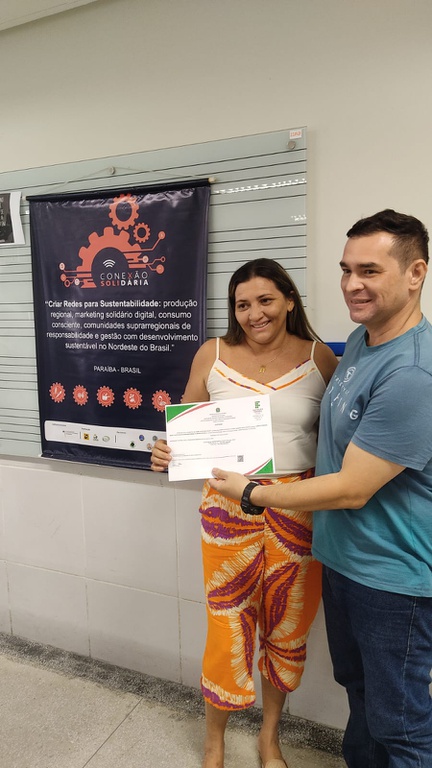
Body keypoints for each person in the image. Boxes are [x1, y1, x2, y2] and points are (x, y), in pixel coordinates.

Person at [209, 210, 432, 768]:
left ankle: (272, 737)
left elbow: (353, 487)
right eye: (346, 269)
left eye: (370, 270)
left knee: (402, 724)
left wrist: (254, 494)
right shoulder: (362, 342)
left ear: (416, 273)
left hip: (391, 575)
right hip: (339, 557)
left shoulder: (411, 372)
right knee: (361, 695)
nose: (353, 284)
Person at [151, 257, 337, 768]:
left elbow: (337, 442)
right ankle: (214, 740)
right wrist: (165, 451)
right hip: (227, 512)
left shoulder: (319, 357)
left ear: (289, 301)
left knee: (288, 627)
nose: (255, 314)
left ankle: (269, 737)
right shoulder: (212, 354)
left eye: (266, 300)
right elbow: (184, 429)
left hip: (297, 512)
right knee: (226, 628)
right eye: (242, 304)